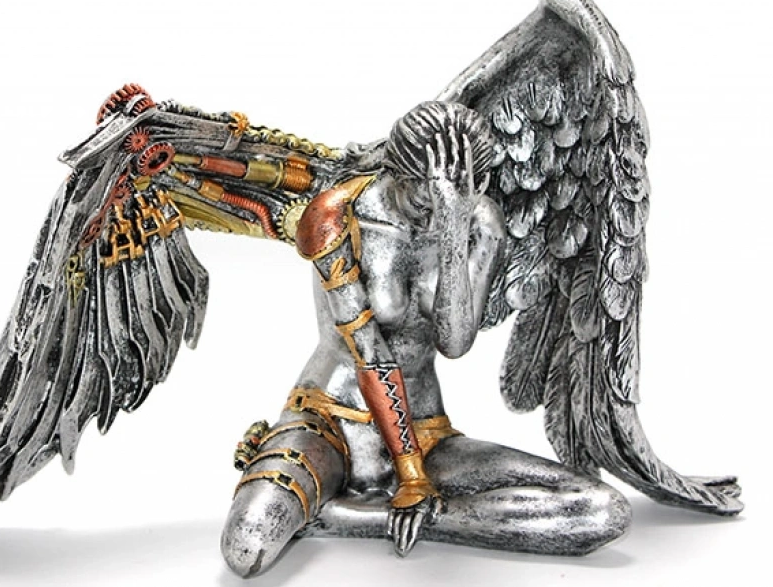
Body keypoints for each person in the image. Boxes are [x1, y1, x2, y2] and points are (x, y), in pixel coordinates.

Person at [221, 101, 630, 577]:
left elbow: (454, 342)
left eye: (449, 199)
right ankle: (391, 516)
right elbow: (369, 353)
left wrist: (455, 226)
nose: (431, 214)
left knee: (601, 509)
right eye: (423, 199)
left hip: (426, 430)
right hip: (329, 422)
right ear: (397, 171)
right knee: (247, 546)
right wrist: (411, 479)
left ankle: (354, 517)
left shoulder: (478, 220)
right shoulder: (338, 213)